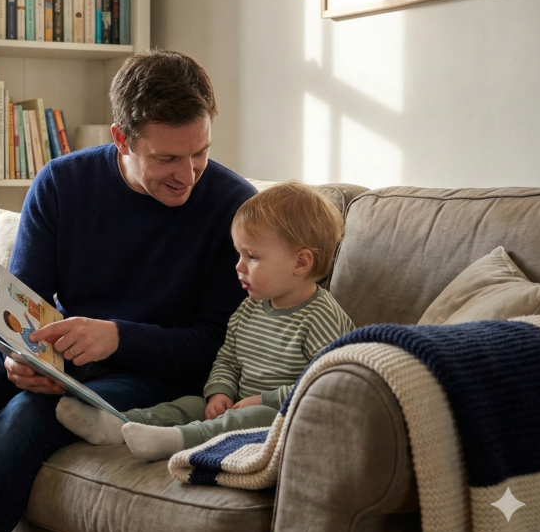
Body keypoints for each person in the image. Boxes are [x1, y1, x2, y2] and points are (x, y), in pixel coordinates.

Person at [0, 49, 256, 532]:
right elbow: (20, 299)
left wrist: (117, 338)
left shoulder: (234, 207)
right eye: (167, 158)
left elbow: (216, 346)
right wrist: (19, 357)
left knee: (30, 416)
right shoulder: (62, 183)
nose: (189, 174)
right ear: (121, 139)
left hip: (161, 375)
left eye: (200, 151)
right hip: (70, 354)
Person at [56, 181, 357, 461]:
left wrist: (263, 400)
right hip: (238, 402)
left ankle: (175, 440)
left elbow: (325, 383)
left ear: (301, 262)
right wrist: (220, 391)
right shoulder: (249, 309)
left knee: (253, 417)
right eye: (238, 254)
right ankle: (120, 424)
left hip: (283, 415)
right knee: (190, 403)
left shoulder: (320, 316)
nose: (238, 266)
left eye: (252, 256)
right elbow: (228, 358)